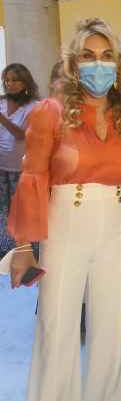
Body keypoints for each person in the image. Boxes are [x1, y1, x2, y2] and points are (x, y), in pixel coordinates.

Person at [7, 18, 121, 401]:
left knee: (110, 334)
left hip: (115, 224)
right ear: (72, 63)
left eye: (106, 56)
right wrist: (25, 246)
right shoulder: (49, 113)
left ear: (118, 65)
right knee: (58, 336)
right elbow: (33, 177)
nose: (98, 65)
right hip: (65, 224)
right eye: (88, 56)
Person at [0, 63, 39, 256]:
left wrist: (2, 119)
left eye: (15, 80)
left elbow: (21, 134)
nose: (10, 84)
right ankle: (7, 251)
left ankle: (29, 251)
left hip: (21, 168)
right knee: (4, 211)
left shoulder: (33, 106)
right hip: (2, 166)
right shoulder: (1, 102)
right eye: (7, 80)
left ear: (25, 82)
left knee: (23, 211)